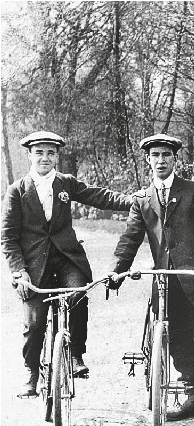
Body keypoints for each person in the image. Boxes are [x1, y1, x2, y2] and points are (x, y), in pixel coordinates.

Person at [108, 134, 194, 426]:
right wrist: (116, 270)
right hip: (166, 283)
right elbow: (130, 239)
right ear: (147, 160)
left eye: (166, 155)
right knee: (176, 339)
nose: (160, 160)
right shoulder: (142, 199)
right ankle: (192, 397)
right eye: (155, 156)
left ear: (175, 159)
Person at [2, 131, 131, 398]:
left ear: (57, 157)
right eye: (39, 153)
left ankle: (74, 355)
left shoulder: (65, 183)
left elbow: (98, 196)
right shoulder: (17, 191)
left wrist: (133, 201)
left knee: (77, 295)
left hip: (67, 259)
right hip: (33, 266)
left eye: (51, 153)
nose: (45, 158)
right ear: (30, 156)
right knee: (35, 322)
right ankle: (32, 373)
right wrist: (19, 272)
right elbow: (8, 237)